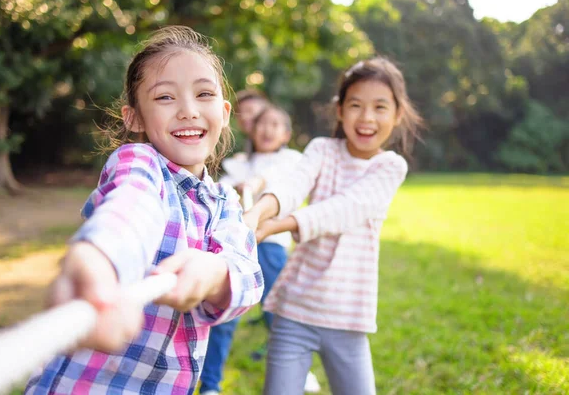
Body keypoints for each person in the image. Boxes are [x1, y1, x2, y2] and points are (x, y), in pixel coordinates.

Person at [24, 26, 263, 395]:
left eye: (204, 94)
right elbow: (131, 208)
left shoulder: (227, 203)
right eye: (165, 97)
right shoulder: (139, 163)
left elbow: (247, 276)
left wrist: (214, 272)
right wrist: (99, 259)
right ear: (134, 117)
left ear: (224, 111)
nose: (188, 110)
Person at [245, 57, 424, 395]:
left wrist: (275, 226)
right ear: (340, 110)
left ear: (398, 114)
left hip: (348, 316)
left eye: (380, 107)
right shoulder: (321, 150)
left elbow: (344, 209)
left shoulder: (390, 166)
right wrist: (257, 213)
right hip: (295, 309)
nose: (367, 117)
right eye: (356, 105)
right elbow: (293, 185)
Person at [199, 104, 302, 395]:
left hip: (269, 244)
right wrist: (236, 185)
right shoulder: (237, 164)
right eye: (261, 124)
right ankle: (210, 384)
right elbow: (220, 191)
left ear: (286, 134)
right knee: (224, 311)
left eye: (275, 124)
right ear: (252, 130)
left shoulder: (291, 160)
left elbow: (284, 184)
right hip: (234, 246)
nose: (267, 130)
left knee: (277, 311)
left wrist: (258, 183)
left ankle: (296, 368)